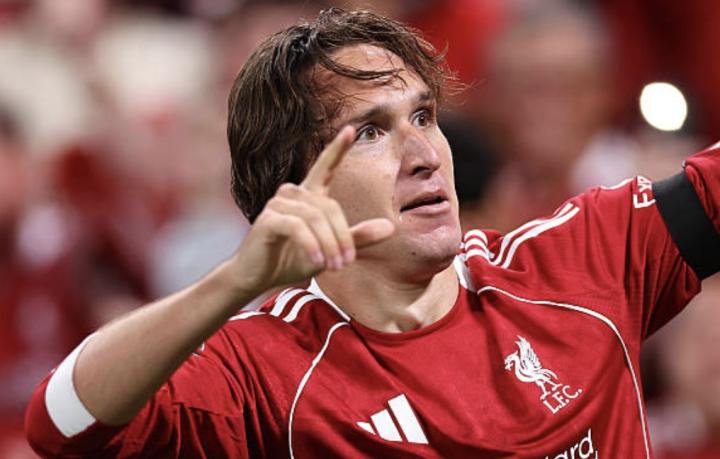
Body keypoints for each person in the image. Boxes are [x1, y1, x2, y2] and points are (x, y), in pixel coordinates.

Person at [25, 8, 720, 458]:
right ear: (298, 186)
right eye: (370, 132)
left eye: (423, 116)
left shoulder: (583, 261)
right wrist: (234, 282)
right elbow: (62, 422)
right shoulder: (264, 372)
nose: (424, 155)